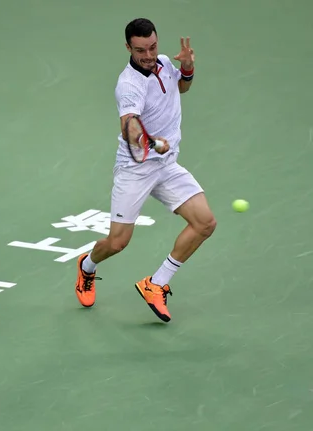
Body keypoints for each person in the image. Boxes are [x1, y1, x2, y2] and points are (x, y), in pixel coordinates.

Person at [74, 18, 216, 322]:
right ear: (128, 48)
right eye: (141, 50)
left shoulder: (164, 62)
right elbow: (129, 127)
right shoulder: (128, 85)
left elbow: (182, 88)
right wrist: (153, 143)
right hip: (135, 169)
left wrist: (188, 67)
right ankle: (87, 266)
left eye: (152, 46)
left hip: (166, 165)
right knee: (117, 243)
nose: (149, 55)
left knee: (205, 223)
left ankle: (156, 284)